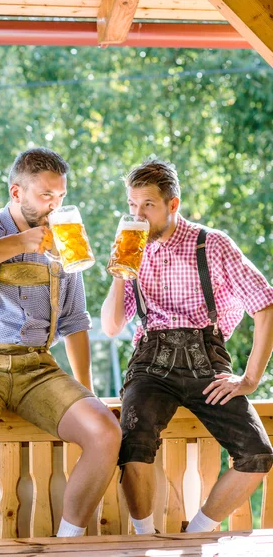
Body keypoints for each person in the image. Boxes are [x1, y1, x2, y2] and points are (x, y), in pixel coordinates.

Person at [0, 147, 121, 541]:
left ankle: (66, 544)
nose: (55, 205)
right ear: (16, 193)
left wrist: (85, 388)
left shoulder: (65, 244)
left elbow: (74, 321)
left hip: (37, 367)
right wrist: (21, 242)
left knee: (105, 431)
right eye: (45, 196)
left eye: (61, 196)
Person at [101, 158, 273, 534]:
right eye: (132, 205)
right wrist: (118, 273)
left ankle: (195, 535)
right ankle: (146, 542)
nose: (138, 215)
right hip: (151, 361)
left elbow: (266, 305)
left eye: (147, 205)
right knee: (134, 442)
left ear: (172, 205)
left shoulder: (212, 244)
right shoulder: (134, 250)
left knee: (257, 454)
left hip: (206, 362)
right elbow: (112, 326)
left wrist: (249, 379)